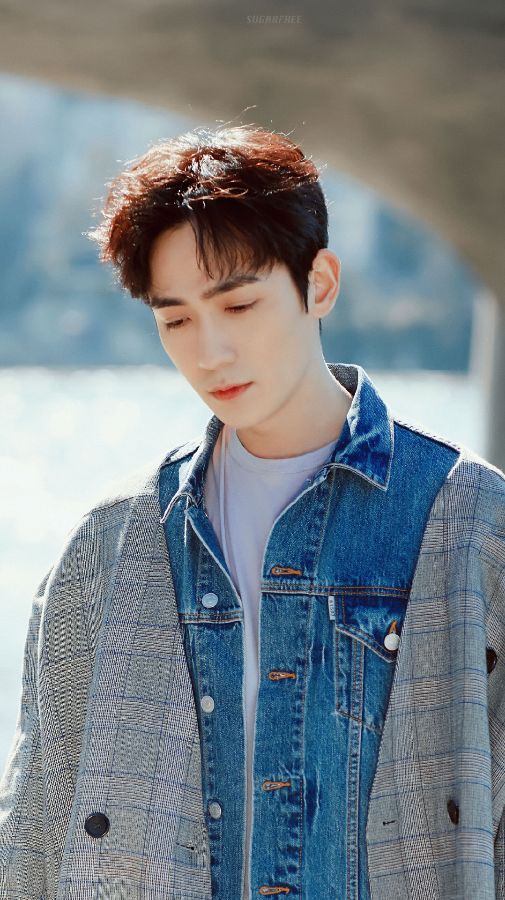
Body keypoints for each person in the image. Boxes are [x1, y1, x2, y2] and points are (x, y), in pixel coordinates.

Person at [1, 124, 504, 900]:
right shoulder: (112, 542)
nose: (210, 352)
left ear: (319, 284)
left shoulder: (468, 522)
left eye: (238, 305)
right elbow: (35, 830)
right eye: (175, 319)